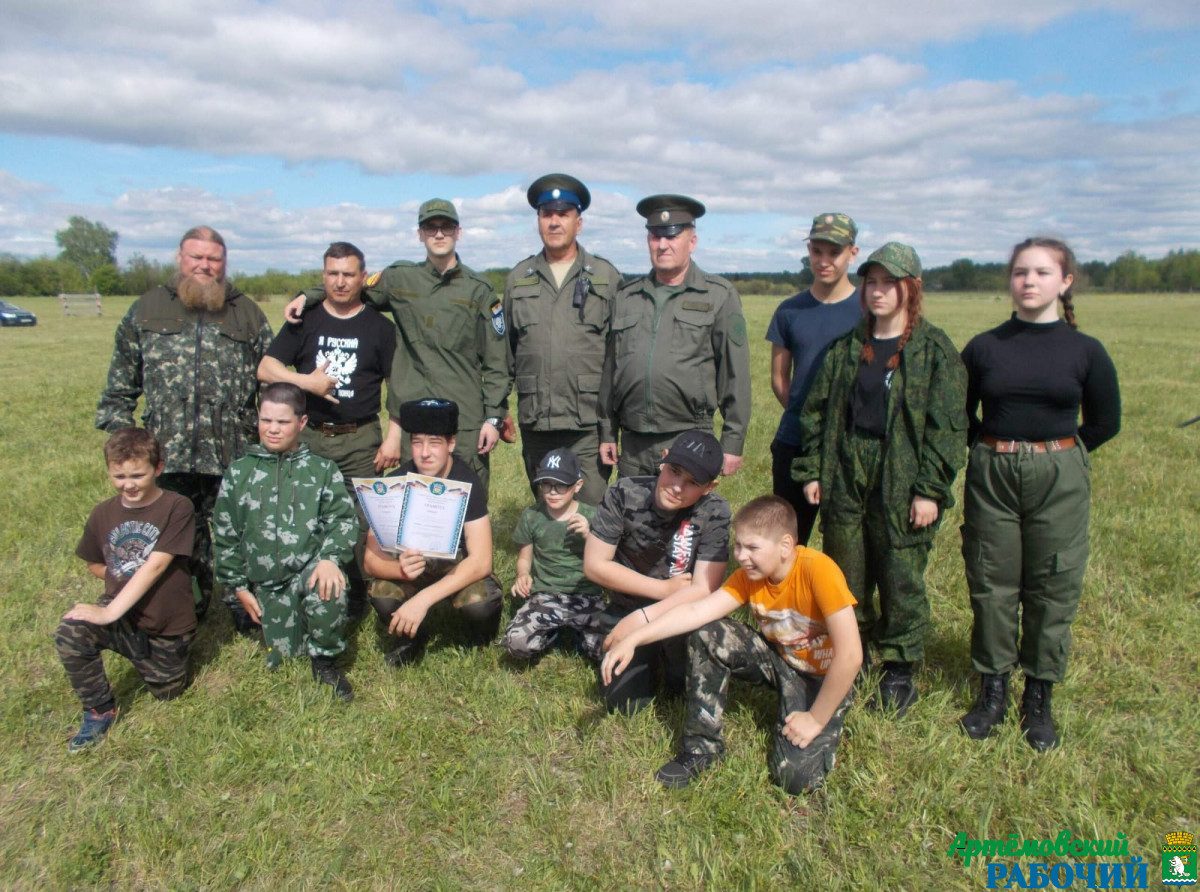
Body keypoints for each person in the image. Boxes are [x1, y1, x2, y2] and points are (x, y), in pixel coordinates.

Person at [959, 237, 1121, 751]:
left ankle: (1039, 695)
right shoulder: (985, 346)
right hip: (993, 471)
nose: (1030, 281)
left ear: (1065, 282)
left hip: (1060, 474)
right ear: (1010, 280)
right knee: (991, 579)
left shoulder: (1085, 350)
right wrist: (993, 449)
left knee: (1054, 583)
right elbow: (959, 413)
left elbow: (1104, 421)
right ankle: (993, 690)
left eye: (1043, 273)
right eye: (1021, 272)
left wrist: (1059, 455)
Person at [793, 243, 967, 715]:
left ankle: (899, 665)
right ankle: (856, 655)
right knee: (846, 572)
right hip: (847, 470)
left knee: (899, 572)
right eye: (871, 282)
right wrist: (813, 470)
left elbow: (948, 428)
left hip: (902, 474)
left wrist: (930, 489)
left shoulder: (934, 351)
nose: (877, 291)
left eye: (889, 282)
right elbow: (816, 414)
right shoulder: (847, 349)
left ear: (910, 288)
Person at [602, 496, 861, 792]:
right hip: (780, 659)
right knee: (708, 634)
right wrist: (635, 637)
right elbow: (697, 611)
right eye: (738, 545)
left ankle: (816, 721)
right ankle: (702, 751)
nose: (741, 556)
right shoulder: (749, 577)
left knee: (795, 779)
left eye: (752, 548)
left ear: (786, 546)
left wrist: (815, 719)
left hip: (822, 676)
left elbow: (851, 655)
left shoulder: (818, 570)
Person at [96, 226, 273, 620]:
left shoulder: (246, 312)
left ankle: (245, 612)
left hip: (232, 454)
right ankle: (186, 609)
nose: (205, 266)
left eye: (213, 259)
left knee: (242, 536)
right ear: (180, 258)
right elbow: (119, 387)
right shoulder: (148, 308)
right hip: (166, 456)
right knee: (176, 541)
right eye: (197, 257)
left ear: (224, 263)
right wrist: (126, 447)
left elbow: (272, 379)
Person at [285, 200, 509, 489]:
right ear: (420, 234)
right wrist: (309, 295)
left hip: (463, 417)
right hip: (411, 415)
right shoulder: (400, 278)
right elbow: (351, 286)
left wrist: (493, 418)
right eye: (431, 228)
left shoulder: (479, 290)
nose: (438, 234)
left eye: (446, 227)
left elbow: (497, 363)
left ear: (458, 232)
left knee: (466, 498)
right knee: (410, 500)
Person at [258, 242, 400, 619]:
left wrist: (393, 437)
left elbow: (397, 386)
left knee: (359, 518)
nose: (340, 282)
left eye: (348, 274)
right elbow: (266, 368)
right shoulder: (305, 321)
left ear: (361, 277)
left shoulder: (380, 328)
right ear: (323, 277)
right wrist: (308, 383)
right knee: (304, 512)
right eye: (332, 274)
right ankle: (302, 588)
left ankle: (354, 593)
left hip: (361, 438)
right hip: (311, 435)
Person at [211, 382, 358, 701]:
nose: (273, 430)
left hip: (306, 572)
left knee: (331, 586)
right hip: (262, 580)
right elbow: (224, 533)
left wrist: (330, 558)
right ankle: (268, 618)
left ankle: (325, 661)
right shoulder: (239, 473)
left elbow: (344, 520)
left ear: (301, 423)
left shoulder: (321, 470)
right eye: (266, 421)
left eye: (282, 422)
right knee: (283, 655)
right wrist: (237, 586)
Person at [56, 427, 197, 752]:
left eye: (137, 474)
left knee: (169, 693)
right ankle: (99, 710)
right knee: (70, 632)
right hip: (122, 614)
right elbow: (93, 562)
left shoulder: (177, 507)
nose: (128, 484)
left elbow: (157, 565)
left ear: (158, 468)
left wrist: (108, 611)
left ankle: (152, 661)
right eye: (119, 476)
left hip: (166, 625)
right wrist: (118, 577)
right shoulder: (102, 513)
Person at [599, 195, 751, 478]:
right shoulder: (626, 297)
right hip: (633, 444)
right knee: (633, 518)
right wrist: (608, 430)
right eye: (655, 236)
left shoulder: (718, 295)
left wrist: (733, 441)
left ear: (692, 241)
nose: (662, 245)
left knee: (686, 522)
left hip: (690, 437)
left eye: (672, 236)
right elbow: (612, 370)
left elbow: (735, 374)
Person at [584, 429, 731, 714]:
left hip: (681, 615)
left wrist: (644, 619)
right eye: (674, 471)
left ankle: (668, 660)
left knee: (685, 691)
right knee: (625, 704)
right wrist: (660, 590)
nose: (677, 486)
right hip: (628, 606)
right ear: (663, 460)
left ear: (709, 487)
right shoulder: (624, 492)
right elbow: (594, 564)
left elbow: (704, 589)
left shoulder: (715, 511)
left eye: (692, 483)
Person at [505, 174, 621, 504]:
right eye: (547, 214)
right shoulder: (519, 278)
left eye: (564, 214)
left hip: (587, 422)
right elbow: (506, 352)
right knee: (547, 509)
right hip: (537, 419)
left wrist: (611, 427)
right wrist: (499, 410)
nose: (554, 222)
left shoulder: (605, 276)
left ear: (578, 222)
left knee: (590, 510)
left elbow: (618, 354)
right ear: (539, 221)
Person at [364, 398, 503, 666]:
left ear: (451, 443)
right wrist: (399, 571)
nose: (424, 452)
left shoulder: (467, 481)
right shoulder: (394, 483)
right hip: (410, 565)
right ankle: (412, 637)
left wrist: (424, 599)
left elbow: (482, 560)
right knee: (382, 594)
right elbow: (370, 559)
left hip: (454, 566)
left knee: (480, 603)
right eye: (417, 442)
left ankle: (478, 636)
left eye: (434, 443)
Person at [767, 212, 863, 545]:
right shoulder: (790, 310)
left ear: (853, 252)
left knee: (848, 540)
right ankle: (785, 597)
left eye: (833, 252)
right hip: (796, 440)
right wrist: (808, 419)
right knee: (788, 537)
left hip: (852, 442)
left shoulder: (869, 310)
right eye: (816, 251)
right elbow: (780, 378)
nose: (823, 261)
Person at [501, 447, 606, 662]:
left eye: (561, 486)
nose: (552, 492)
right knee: (516, 643)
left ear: (577, 485)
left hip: (587, 594)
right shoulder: (532, 516)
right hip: (546, 595)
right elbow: (524, 558)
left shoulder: (593, 516)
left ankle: (581, 636)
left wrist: (590, 535)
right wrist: (523, 575)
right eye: (547, 485)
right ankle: (550, 633)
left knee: (610, 649)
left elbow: (608, 560)